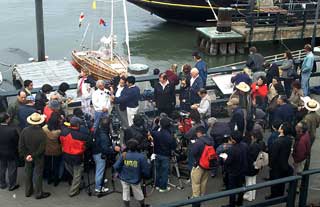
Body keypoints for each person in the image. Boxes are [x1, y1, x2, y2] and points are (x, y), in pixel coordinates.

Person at [19, 113, 51, 199]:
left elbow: (21, 146)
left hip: (27, 157)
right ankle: (38, 193)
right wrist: (33, 155)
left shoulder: (24, 131)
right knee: (38, 174)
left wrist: (26, 155)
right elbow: (41, 149)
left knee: (28, 173)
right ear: (40, 122)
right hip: (38, 157)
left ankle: (28, 192)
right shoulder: (42, 133)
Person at [113, 139, 151, 207]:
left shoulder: (124, 155)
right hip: (135, 179)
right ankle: (142, 205)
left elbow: (116, 166)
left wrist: (119, 172)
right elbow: (146, 170)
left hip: (124, 178)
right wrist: (145, 176)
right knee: (139, 193)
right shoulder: (141, 157)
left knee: (125, 193)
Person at [59, 116, 89, 197]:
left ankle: (78, 184)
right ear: (78, 125)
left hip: (66, 155)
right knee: (77, 174)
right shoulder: (81, 136)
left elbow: (61, 142)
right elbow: (86, 146)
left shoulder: (63, 132)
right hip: (77, 157)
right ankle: (73, 192)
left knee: (73, 172)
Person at [92, 116, 120, 194]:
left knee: (99, 169)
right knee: (100, 171)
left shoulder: (98, 129)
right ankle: (98, 188)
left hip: (95, 151)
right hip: (100, 154)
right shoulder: (103, 136)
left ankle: (100, 181)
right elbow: (105, 149)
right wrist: (114, 149)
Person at [150, 117, 177, 192]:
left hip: (156, 154)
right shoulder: (170, 136)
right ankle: (163, 187)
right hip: (165, 155)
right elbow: (174, 146)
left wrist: (156, 125)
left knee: (157, 170)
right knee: (164, 172)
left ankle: (157, 185)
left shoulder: (156, 133)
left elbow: (151, 131)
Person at [267, 122, 293, 199]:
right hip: (284, 163)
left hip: (276, 166)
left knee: (274, 182)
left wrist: (270, 165)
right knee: (282, 181)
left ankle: (274, 196)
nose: (279, 126)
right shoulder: (289, 139)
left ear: (282, 130)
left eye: (281, 126)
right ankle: (280, 194)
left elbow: (273, 156)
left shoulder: (277, 142)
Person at [190, 126, 214, 207]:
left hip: (199, 165)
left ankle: (196, 202)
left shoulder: (198, 142)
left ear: (199, 132)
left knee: (196, 183)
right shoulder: (210, 140)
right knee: (203, 182)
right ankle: (202, 197)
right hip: (207, 165)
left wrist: (193, 144)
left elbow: (193, 153)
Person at [222, 131, 247, 207]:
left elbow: (228, 162)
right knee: (240, 186)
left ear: (233, 140)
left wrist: (224, 158)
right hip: (242, 169)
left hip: (233, 172)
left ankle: (231, 204)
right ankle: (239, 202)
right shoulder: (244, 145)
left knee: (232, 189)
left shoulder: (231, 150)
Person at [243, 130, 265, 202]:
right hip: (257, 165)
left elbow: (249, 158)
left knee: (249, 181)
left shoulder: (252, 146)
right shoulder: (261, 144)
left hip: (250, 166)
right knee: (253, 180)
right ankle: (252, 195)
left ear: (253, 137)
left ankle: (249, 196)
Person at [0, 113, 20, 191]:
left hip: (0, 152)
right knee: (12, 169)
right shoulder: (12, 130)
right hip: (11, 152)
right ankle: (12, 185)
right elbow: (16, 141)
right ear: (7, 119)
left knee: (2, 168)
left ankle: (2, 183)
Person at [42, 112, 62, 186]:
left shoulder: (44, 129)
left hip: (47, 149)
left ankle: (49, 179)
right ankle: (56, 180)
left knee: (48, 165)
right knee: (56, 165)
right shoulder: (59, 131)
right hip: (57, 149)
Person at [292, 121, 311, 190]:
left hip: (299, 160)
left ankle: (295, 188)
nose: (295, 127)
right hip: (303, 158)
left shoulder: (301, 141)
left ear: (301, 129)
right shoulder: (305, 134)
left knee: (297, 173)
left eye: (297, 126)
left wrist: (295, 161)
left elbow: (300, 155)